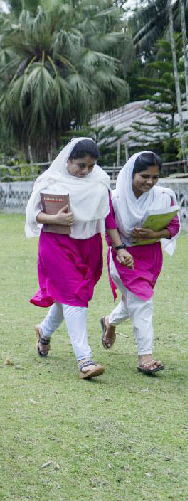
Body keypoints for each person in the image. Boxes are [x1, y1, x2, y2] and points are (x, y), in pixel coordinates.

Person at [26, 138, 111, 379]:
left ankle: (44, 330)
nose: (86, 171)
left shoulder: (100, 182)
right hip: (57, 245)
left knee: (72, 296)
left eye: (91, 166)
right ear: (68, 160)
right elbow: (33, 216)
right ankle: (85, 359)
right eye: (80, 165)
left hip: (89, 245)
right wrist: (56, 220)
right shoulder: (50, 181)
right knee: (75, 297)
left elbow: (106, 216)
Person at [100, 152, 180, 375]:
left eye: (155, 177)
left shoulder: (163, 196)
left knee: (135, 301)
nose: (150, 182)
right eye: (145, 176)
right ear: (131, 174)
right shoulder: (115, 198)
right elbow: (110, 227)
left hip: (151, 257)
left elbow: (174, 226)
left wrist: (154, 232)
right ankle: (145, 356)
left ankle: (109, 321)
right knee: (143, 302)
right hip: (124, 256)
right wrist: (120, 249)